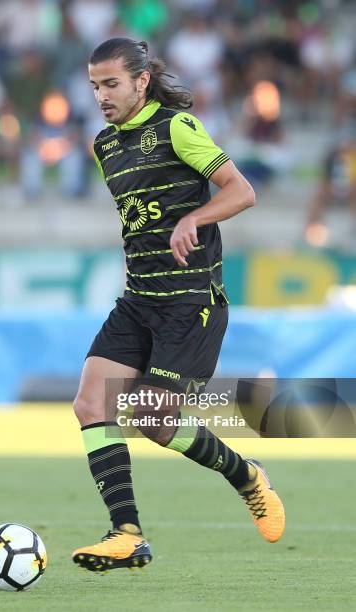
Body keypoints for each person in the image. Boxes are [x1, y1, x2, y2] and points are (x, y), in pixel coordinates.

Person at [72, 37, 285, 573]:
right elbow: (140, 218)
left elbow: (241, 191)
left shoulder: (176, 127)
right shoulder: (105, 145)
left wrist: (195, 218)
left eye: (112, 83)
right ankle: (126, 534)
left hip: (190, 304)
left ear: (141, 81)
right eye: (95, 85)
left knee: (149, 416)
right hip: (139, 299)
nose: (101, 95)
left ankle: (246, 475)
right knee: (91, 405)